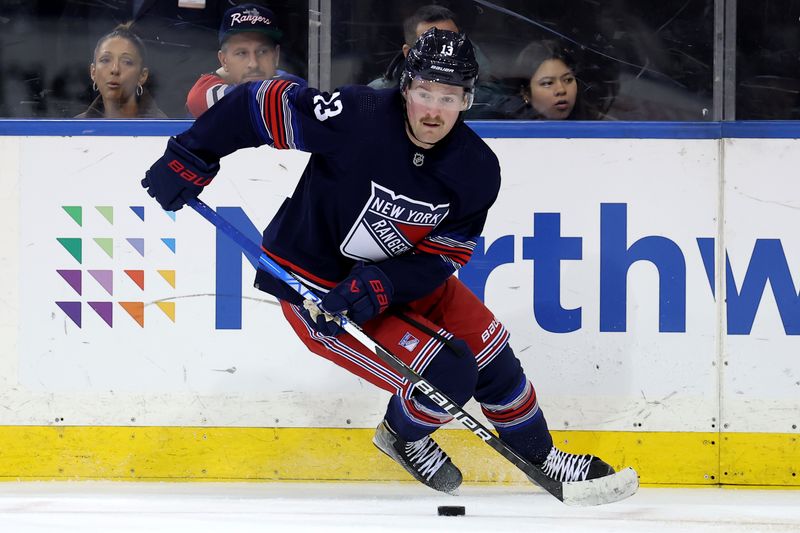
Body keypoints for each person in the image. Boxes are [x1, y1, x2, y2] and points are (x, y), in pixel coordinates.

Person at [141, 29, 617, 494]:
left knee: (494, 361)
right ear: (406, 85)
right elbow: (256, 105)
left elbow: (443, 254)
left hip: (400, 281)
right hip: (317, 290)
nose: (434, 110)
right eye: (425, 93)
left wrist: (383, 285)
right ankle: (403, 436)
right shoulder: (357, 114)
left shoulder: (476, 169)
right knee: (448, 375)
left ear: (468, 100)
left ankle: (541, 456)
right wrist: (191, 154)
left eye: (449, 98)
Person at [186, 3, 304, 118]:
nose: (253, 64)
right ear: (224, 60)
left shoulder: (295, 87)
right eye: (241, 53)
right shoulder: (204, 93)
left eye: (262, 52)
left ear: (276, 56)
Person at [75, 22, 166, 119]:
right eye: (105, 60)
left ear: (142, 76)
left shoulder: (165, 129)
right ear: (93, 72)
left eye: (126, 62)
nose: (115, 69)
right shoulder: (75, 129)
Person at [497, 40, 602, 121]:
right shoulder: (508, 133)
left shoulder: (598, 125)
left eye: (568, 80)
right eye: (548, 83)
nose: (561, 90)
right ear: (525, 93)